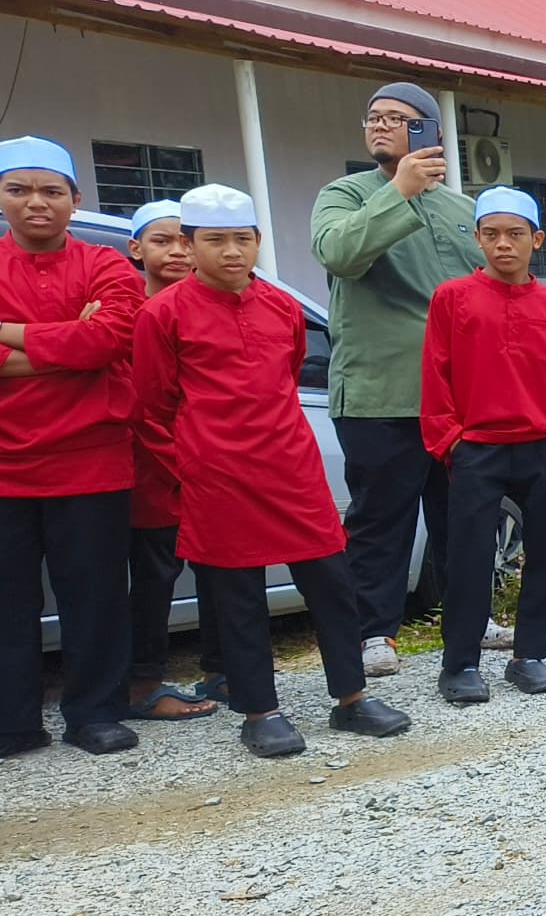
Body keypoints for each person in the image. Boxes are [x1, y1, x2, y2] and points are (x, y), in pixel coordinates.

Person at [130, 186, 411, 759]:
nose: (231, 252)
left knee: (332, 584)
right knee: (237, 598)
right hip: (217, 476)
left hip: (293, 467)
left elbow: (283, 372)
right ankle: (260, 710)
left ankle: (351, 697)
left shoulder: (281, 306)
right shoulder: (163, 313)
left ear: (258, 241)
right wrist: (189, 467)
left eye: (242, 239)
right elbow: (152, 405)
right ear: (189, 244)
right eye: (215, 240)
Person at [310, 79, 484, 677]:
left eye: (399, 118)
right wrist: (399, 192)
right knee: (381, 517)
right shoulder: (344, 195)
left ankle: (472, 621)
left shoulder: (465, 211)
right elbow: (339, 253)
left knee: (463, 516)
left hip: (458, 399)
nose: (381, 125)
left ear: (432, 132)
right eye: (374, 117)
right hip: (379, 392)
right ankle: (373, 633)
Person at [420, 186, 546, 706]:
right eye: (492, 234)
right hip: (477, 447)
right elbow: (436, 374)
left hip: (545, 447)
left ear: (536, 240)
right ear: (477, 238)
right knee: (468, 556)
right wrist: (450, 442)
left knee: (545, 550)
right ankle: (460, 663)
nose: (503, 245)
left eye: (515, 234)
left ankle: (531, 654)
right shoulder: (452, 299)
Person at [0, 135, 141, 757]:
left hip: (92, 458)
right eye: (19, 189)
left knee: (96, 598)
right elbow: (85, 348)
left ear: (74, 199)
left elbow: (111, 341)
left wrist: (14, 340)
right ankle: (13, 721)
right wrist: (68, 346)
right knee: (7, 601)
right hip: (4, 466)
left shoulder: (107, 265)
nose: (36, 203)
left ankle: (95, 713)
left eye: (51, 191)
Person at [118, 200, 219, 723]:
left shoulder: (217, 302)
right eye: (163, 241)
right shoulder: (120, 308)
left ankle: (224, 666)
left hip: (212, 465)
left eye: (186, 239)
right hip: (150, 467)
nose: (178, 251)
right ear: (135, 248)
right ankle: (142, 679)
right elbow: (144, 401)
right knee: (153, 574)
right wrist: (181, 460)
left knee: (221, 567)